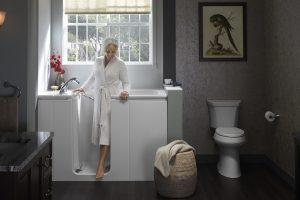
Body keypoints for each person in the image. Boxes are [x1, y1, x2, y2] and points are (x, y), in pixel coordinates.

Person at [74, 38, 130, 178]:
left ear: (117, 50)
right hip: (99, 98)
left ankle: (100, 166)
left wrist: (125, 91)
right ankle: (105, 163)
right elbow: (93, 77)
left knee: (106, 130)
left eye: (113, 51)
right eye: (108, 51)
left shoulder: (120, 63)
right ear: (104, 49)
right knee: (101, 129)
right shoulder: (98, 61)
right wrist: (82, 88)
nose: (111, 54)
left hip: (111, 98)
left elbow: (126, 82)